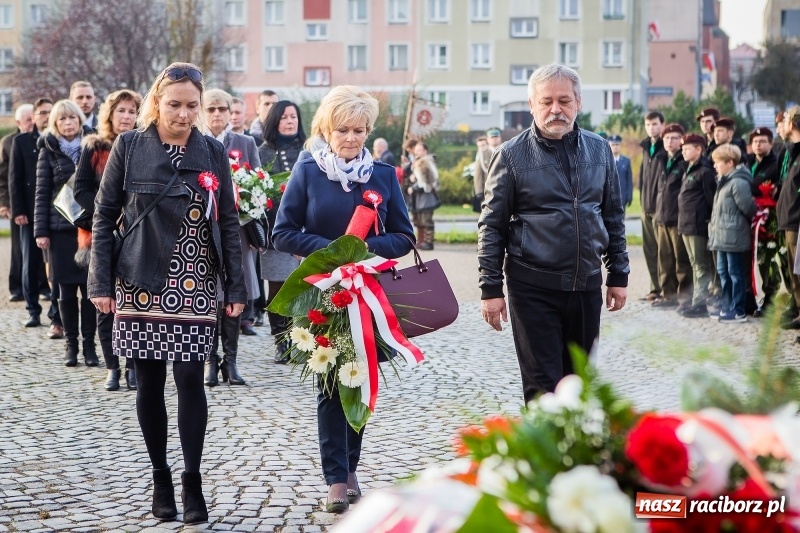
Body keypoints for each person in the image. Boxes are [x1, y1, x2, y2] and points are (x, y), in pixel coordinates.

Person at [87, 63, 246, 525]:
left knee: (191, 380)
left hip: (196, 280)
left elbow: (229, 221)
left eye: (191, 105)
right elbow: (103, 217)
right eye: (173, 104)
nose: (182, 113)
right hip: (139, 281)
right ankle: (160, 477)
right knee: (149, 381)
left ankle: (192, 478)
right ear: (156, 101)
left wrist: (234, 285)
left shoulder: (212, 150)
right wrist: (100, 283)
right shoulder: (130, 145)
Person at [272, 84, 415, 514]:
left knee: (362, 379)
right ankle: (335, 477)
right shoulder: (308, 172)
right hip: (322, 294)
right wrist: (334, 250)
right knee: (330, 383)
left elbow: (405, 236)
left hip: (370, 294)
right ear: (326, 129)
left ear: (369, 130)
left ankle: (352, 467)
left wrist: (368, 251)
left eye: (359, 130)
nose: (351, 139)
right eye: (342, 130)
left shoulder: (384, 175)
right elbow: (282, 231)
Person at [478, 63, 628, 403]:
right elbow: (492, 226)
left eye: (564, 100)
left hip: (586, 284)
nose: (555, 109)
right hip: (533, 287)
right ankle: (541, 456)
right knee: (544, 387)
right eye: (546, 101)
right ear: (532, 105)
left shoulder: (600, 149)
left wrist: (618, 273)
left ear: (578, 102)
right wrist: (490, 288)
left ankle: (579, 457)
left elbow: (613, 215)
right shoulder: (510, 155)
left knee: (581, 386)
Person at [73, 89, 142, 391]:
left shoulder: (144, 146)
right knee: (105, 303)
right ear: (110, 115)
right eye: (121, 111)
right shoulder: (94, 146)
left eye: (132, 111)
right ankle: (112, 366)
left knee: (136, 305)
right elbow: (81, 190)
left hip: (137, 236)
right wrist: (107, 211)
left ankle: (133, 367)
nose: (126, 116)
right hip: (101, 234)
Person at [203, 87, 261, 386]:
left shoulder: (245, 142)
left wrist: (248, 199)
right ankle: (210, 361)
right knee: (211, 296)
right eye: (210, 109)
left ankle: (232, 361)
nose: (216, 114)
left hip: (236, 230)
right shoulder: (195, 141)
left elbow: (259, 184)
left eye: (221, 109)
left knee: (233, 292)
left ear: (230, 112)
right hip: (203, 231)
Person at [35, 99, 98, 367]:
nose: (68, 123)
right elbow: (41, 193)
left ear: (80, 119)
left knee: (90, 292)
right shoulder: (47, 151)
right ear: (55, 124)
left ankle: (89, 346)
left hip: (87, 229)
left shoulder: (93, 147)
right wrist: (41, 230)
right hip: (60, 230)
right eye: (62, 119)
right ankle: (71, 345)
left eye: (72, 117)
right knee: (66, 291)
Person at [257, 100, 307, 362]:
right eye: (285, 117)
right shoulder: (262, 152)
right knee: (277, 287)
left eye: (294, 117)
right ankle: (280, 341)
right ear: (274, 121)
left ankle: (299, 338)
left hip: (305, 233)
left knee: (301, 287)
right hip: (274, 234)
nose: (290, 121)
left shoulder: (308, 152)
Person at [10, 98, 60, 337]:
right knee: (30, 263)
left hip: (56, 213)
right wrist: (17, 209)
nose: (43, 116)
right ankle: (32, 310)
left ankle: (56, 314)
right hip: (29, 213)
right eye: (40, 113)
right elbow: (14, 179)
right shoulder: (20, 142)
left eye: (49, 112)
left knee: (55, 266)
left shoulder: (58, 140)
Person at [708, 144, 757, 323]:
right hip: (722, 237)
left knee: (735, 274)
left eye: (718, 162)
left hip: (734, 237)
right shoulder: (724, 181)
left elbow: (749, 208)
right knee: (723, 272)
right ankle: (726, 306)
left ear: (729, 162)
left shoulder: (738, 182)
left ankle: (738, 310)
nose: (715, 166)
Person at [677, 133, 717, 318]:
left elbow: (711, 200)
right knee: (695, 265)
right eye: (683, 148)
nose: (683, 151)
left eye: (687, 148)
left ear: (699, 149)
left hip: (697, 224)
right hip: (686, 224)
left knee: (701, 266)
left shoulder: (705, 171)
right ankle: (696, 301)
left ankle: (700, 304)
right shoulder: (690, 168)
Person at [653, 123, 692, 310]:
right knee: (665, 259)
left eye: (675, 138)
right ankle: (668, 295)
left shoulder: (684, 162)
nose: (670, 141)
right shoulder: (661, 159)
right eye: (667, 138)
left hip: (677, 218)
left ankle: (684, 298)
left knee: (681, 261)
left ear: (681, 140)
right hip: (661, 217)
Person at [1, 104, 34, 304]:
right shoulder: (8, 143)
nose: (31, 123)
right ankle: (16, 287)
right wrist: (5, 203)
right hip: (16, 202)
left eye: (33, 118)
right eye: (27, 120)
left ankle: (39, 286)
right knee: (17, 249)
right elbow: (3, 177)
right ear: (18, 122)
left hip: (34, 201)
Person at [776, 106, 800, 329]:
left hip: (796, 220)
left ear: (792, 124)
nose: (779, 128)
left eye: (783, 122)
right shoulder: (792, 151)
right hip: (789, 219)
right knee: (794, 270)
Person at [639, 111, 665, 301]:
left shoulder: (667, 148)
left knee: (663, 251)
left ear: (662, 125)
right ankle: (654, 288)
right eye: (648, 125)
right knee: (649, 250)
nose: (651, 128)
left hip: (660, 209)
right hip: (645, 207)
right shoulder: (646, 147)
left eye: (655, 124)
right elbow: (643, 178)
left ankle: (666, 289)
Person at [408, 142, 439, 250]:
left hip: (426, 195)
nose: (417, 152)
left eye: (419, 150)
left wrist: (415, 187)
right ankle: (421, 241)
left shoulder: (425, 162)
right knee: (419, 220)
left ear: (425, 151)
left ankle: (428, 242)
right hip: (419, 197)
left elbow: (430, 181)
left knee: (426, 220)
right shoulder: (418, 162)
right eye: (416, 150)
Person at [608, 135, 633, 209]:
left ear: (620, 146)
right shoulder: (605, 161)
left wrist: (629, 196)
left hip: (622, 197)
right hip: (608, 198)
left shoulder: (626, 161)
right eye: (613, 145)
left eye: (617, 144)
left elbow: (629, 180)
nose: (615, 147)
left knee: (621, 220)